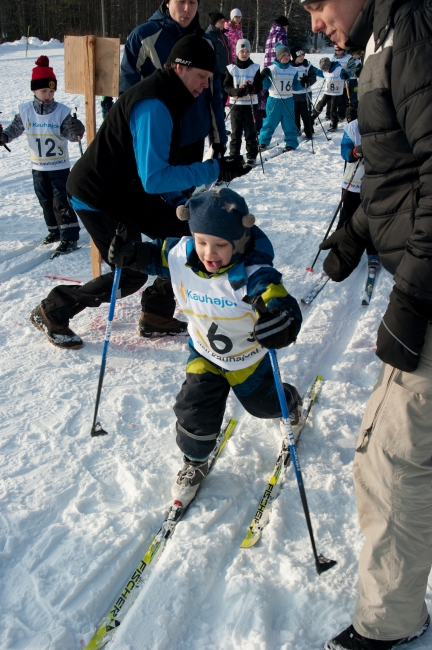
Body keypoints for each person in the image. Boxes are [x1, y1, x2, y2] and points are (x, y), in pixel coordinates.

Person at [302, 0, 432, 648]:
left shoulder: (410, 29)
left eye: (318, 4)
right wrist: (356, 231)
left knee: (393, 460)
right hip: (419, 277)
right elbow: (398, 173)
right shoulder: (385, 37)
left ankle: (392, 624)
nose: (314, 20)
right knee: (385, 453)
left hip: (428, 289)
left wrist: (411, 297)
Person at [28, 35, 251, 349]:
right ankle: (53, 308)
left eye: (209, 79)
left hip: (129, 193)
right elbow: (155, 179)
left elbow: (158, 164)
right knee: (132, 269)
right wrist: (214, 169)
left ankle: (156, 314)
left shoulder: (172, 96)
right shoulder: (155, 104)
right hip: (99, 197)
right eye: (202, 77)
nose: (204, 85)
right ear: (180, 67)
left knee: (190, 235)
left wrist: (181, 202)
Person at [107, 187, 303, 506]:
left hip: (247, 358)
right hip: (204, 352)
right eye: (201, 242)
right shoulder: (182, 254)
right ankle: (194, 463)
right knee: (193, 409)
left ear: (239, 241)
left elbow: (277, 297)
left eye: (220, 245)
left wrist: (283, 318)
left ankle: (290, 401)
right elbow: (158, 256)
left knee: (263, 405)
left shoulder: (251, 273)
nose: (209, 253)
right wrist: (132, 254)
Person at [119, 0, 227, 166]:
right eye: (181, 1)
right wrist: (130, 139)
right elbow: (128, 95)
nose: (187, 8)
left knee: (186, 190)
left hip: (193, 138)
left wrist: (218, 139)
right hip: (155, 140)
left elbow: (213, 94)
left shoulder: (206, 42)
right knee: (156, 187)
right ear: (168, 3)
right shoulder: (143, 37)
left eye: (192, 2)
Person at [0, 56, 84, 254]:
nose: (48, 95)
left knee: (60, 202)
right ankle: (54, 230)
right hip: (38, 167)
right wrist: (3, 137)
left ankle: (70, 236)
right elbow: (14, 129)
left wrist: (77, 130)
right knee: (45, 201)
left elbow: (71, 136)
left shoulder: (61, 111)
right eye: (44, 91)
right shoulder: (25, 111)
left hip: (59, 167)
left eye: (52, 91)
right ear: (34, 90)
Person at [339, 108, 379, 264]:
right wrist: (354, 153)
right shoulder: (353, 127)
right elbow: (345, 150)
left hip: (376, 182)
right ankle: (340, 249)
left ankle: (373, 252)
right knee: (347, 217)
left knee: (373, 218)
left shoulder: (385, 124)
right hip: (353, 182)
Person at [224, 38, 262, 165]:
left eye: (247, 51)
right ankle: (234, 156)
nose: (244, 54)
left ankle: (251, 155)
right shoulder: (231, 68)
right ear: (237, 52)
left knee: (250, 132)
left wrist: (253, 89)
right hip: (236, 105)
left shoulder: (255, 67)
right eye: (242, 51)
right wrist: (235, 92)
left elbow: (259, 85)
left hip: (250, 104)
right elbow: (226, 86)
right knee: (236, 133)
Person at [259, 43, 302, 153]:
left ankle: (291, 143)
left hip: (288, 100)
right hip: (274, 100)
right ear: (278, 56)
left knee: (289, 123)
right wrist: (263, 76)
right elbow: (265, 86)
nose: (286, 56)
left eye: (288, 54)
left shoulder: (293, 70)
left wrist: (304, 82)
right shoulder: (271, 69)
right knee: (269, 122)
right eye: (284, 54)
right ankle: (263, 142)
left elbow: (296, 86)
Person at [311, 57, 350, 131]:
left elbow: (347, 74)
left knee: (333, 108)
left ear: (329, 66)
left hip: (337, 93)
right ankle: (314, 115)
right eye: (324, 70)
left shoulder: (338, 69)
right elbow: (320, 73)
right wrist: (312, 68)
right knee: (321, 103)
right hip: (328, 91)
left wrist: (346, 75)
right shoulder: (325, 71)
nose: (325, 71)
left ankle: (334, 123)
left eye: (326, 69)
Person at [290, 45, 317, 140]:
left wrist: (308, 81)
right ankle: (296, 130)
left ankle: (309, 132)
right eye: (299, 56)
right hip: (293, 95)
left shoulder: (308, 66)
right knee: (295, 114)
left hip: (305, 94)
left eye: (303, 55)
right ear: (294, 57)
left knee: (306, 114)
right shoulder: (289, 66)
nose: (302, 58)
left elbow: (313, 77)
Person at [206, 11, 232, 105]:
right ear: (214, 22)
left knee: (224, 97)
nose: (223, 23)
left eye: (223, 20)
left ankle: (221, 116)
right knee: (217, 97)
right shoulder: (209, 35)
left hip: (226, 71)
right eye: (220, 21)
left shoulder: (224, 36)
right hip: (216, 72)